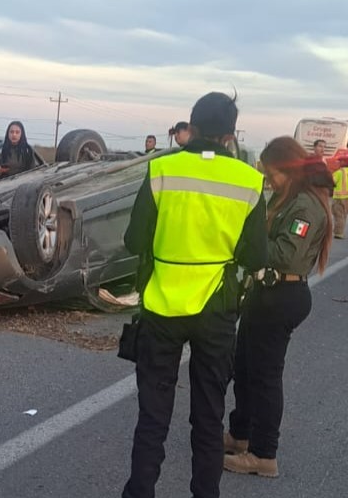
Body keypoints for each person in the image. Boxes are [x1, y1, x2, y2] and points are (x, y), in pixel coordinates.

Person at [121, 92, 268, 498]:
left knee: (153, 414)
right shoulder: (249, 180)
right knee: (208, 416)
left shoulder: (162, 169)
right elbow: (256, 254)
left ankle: (140, 492)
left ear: (193, 126)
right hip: (217, 308)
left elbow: (134, 240)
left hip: (162, 305)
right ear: (230, 135)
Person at [223, 137, 332, 479]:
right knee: (244, 368)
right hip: (264, 292)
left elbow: (286, 254)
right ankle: (240, 435)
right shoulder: (285, 197)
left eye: (272, 175)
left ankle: (263, 454)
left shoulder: (306, 206)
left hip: (282, 296)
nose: (269, 181)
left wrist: (247, 240)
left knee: (265, 378)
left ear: (287, 169)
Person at [330, 150, 348, 239]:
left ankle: (338, 233)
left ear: (344, 162)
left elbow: (331, 182)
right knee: (343, 215)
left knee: (338, 215)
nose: (339, 163)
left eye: (340, 161)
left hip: (340, 197)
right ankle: (340, 231)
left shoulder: (339, 172)